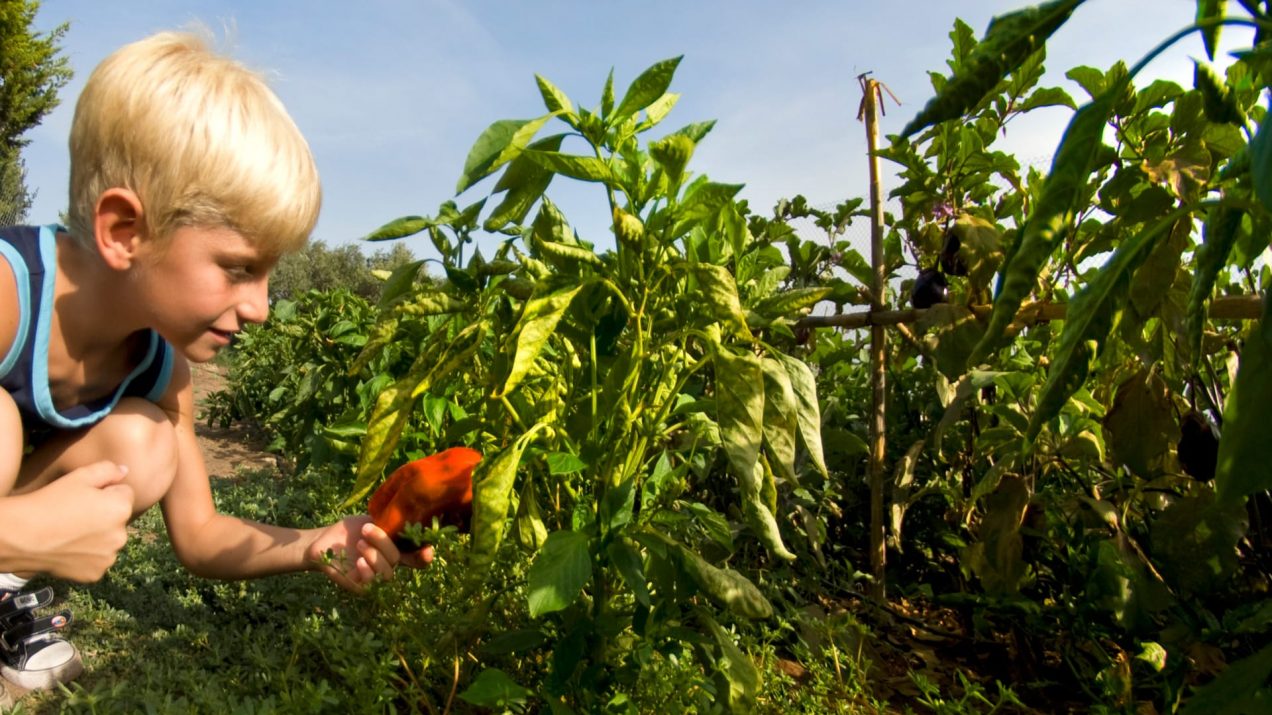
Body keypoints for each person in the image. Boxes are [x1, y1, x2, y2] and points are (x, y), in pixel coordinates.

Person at [0, 30, 427, 693]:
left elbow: (199, 534)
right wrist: (16, 533)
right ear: (124, 231)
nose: (259, 306)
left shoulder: (159, 368)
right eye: (237, 268)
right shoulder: (9, 292)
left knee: (143, 447)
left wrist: (316, 542)